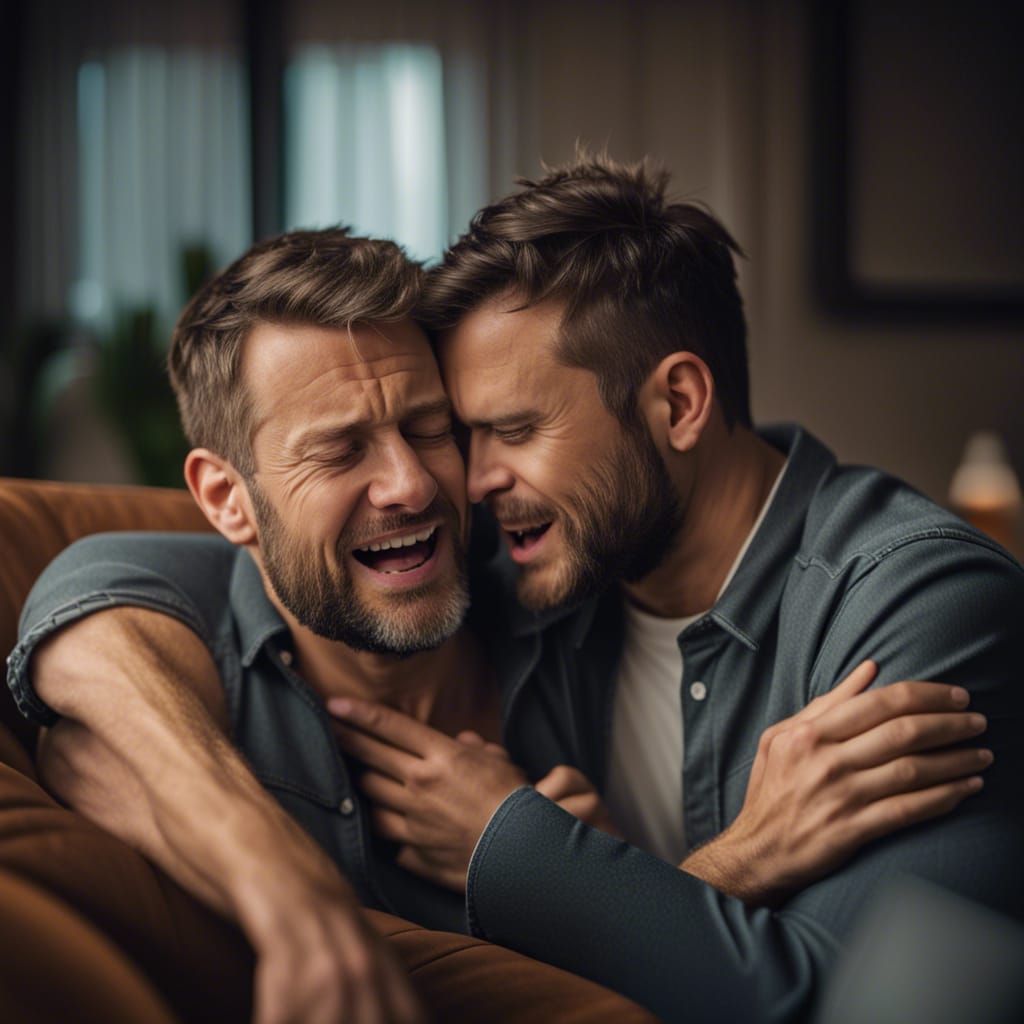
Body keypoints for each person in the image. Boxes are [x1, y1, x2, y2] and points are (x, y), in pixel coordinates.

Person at [5, 223, 998, 1024]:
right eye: (343, 447)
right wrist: (301, 907)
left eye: (439, 427)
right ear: (226, 502)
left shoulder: (549, 590)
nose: (423, 482)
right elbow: (84, 612)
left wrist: (538, 857)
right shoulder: (179, 632)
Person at [323, 156, 1024, 1020]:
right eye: (464, 435)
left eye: (514, 429)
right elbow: (142, 574)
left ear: (681, 403)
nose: (471, 483)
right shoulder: (535, 570)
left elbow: (878, 1009)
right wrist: (742, 861)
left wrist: (515, 853)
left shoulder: (927, 603)